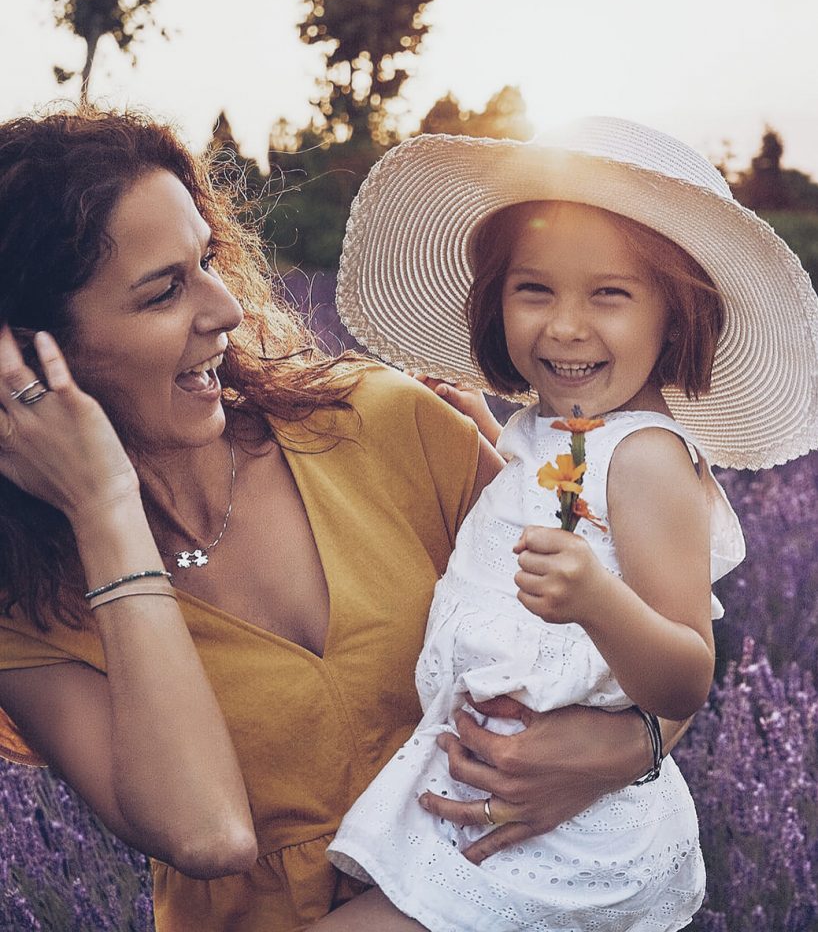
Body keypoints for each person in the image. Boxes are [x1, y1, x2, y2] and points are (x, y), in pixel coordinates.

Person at [0, 107, 686, 932]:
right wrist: (106, 509)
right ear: (34, 357)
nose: (224, 308)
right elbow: (207, 833)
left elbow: (631, 641)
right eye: (164, 291)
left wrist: (629, 750)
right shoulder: (30, 614)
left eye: (208, 260)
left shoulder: (380, 424)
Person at [321, 117, 818, 931]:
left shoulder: (648, 459)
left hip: (571, 839)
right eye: (534, 289)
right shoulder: (553, 427)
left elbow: (685, 675)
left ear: (677, 315)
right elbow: (545, 517)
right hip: (498, 800)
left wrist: (596, 599)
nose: (564, 326)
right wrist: (492, 445)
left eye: (609, 295)